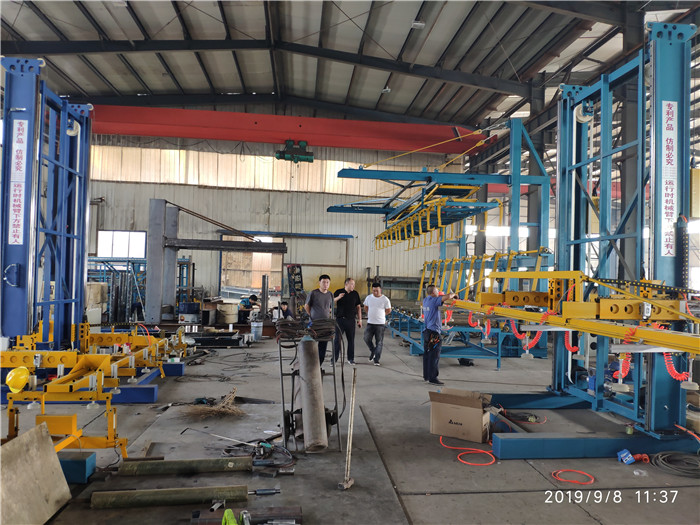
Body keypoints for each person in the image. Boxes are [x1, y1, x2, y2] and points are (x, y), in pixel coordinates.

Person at [422, 285, 456, 385]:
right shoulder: (434, 300)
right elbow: (448, 296)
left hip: (427, 331)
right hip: (434, 333)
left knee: (427, 354)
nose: (438, 292)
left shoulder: (426, 300)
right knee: (434, 355)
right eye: (437, 290)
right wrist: (454, 294)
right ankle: (433, 378)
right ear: (433, 293)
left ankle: (427, 376)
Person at [304, 274, 333, 364]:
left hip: (325, 325)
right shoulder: (313, 293)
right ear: (319, 283)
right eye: (323, 282)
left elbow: (330, 308)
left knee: (323, 345)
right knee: (311, 343)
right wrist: (311, 315)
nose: (326, 284)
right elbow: (306, 306)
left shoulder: (330, 294)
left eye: (327, 282)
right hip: (314, 324)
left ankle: (319, 364)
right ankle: (309, 364)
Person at [333, 278, 362, 365]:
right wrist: (338, 297)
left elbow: (358, 307)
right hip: (340, 320)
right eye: (352, 284)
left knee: (351, 340)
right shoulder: (338, 292)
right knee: (337, 340)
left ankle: (351, 359)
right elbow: (331, 302)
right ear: (346, 284)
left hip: (351, 320)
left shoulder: (355, 294)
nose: (353, 286)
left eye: (354, 284)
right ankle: (334, 359)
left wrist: (360, 320)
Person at [363, 283, 391, 366]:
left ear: (380, 290)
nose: (375, 292)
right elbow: (365, 307)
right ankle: (373, 351)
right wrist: (369, 314)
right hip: (370, 323)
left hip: (380, 324)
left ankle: (376, 360)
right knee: (366, 338)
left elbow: (388, 310)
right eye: (374, 290)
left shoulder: (385, 299)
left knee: (379, 342)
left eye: (377, 291)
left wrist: (382, 315)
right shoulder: (369, 298)